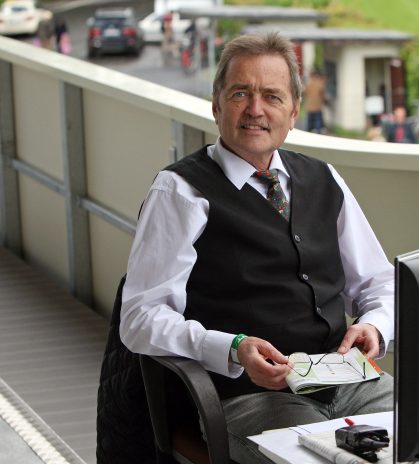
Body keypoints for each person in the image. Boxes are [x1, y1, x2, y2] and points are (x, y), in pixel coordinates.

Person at [119, 32, 394, 464]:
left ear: (294, 111)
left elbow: (379, 282)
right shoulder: (180, 192)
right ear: (216, 105)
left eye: (272, 96)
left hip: (347, 381)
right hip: (248, 397)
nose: (255, 109)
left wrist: (375, 326)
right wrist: (232, 348)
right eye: (240, 93)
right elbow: (140, 318)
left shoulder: (324, 179)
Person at [303, 69, 327, 133]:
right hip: (317, 106)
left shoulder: (308, 84)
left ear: (311, 75)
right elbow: (322, 94)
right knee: (318, 122)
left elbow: (304, 93)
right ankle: (318, 132)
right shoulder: (319, 83)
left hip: (309, 106)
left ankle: (308, 133)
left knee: (309, 123)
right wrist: (325, 101)